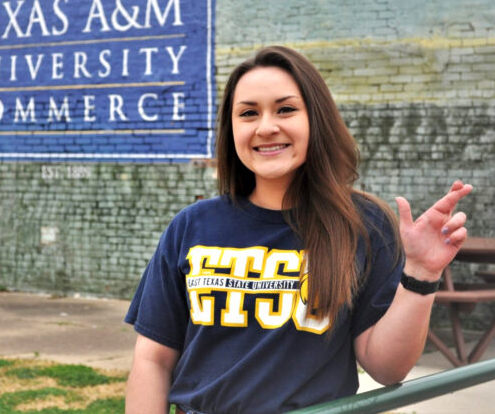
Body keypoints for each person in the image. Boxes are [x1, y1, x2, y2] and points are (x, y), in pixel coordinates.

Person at [124, 46, 473, 414]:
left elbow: (386, 368)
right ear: (232, 129)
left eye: (285, 109)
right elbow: (153, 360)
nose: (266, 126)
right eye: (248, 113)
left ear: (315, 119)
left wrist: (421, 274)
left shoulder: (365, 225)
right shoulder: (191, 226)